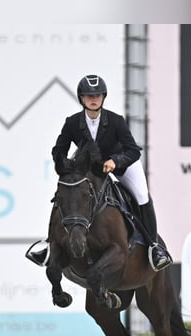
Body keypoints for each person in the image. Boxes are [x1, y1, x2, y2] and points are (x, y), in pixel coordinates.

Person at [26, 74, 172, 271]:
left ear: (103, 97)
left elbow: (133, 150)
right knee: (65, 193)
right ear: (81, 98)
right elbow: (58, 149)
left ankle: (154, 248)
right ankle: (49, 244)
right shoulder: (72, 122)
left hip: (121, 164)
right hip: (89, 168)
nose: (93, 99)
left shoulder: (116, 121)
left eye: (97, 95)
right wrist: (64, 164)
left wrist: (115, 161)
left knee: (142, 196)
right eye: (88, 96)